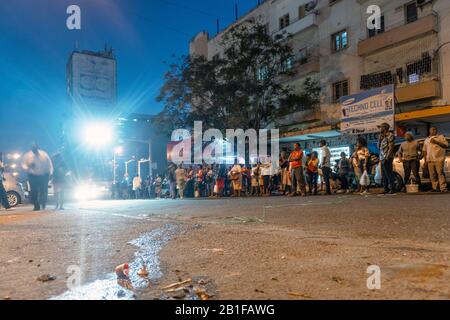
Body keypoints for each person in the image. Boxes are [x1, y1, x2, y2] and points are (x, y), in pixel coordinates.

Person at [22, 143, 53, 211]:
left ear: (37, 148)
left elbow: (49, 164)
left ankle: (43, 203)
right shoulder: (27, 155)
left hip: (44, 175)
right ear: (31, 149)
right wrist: (28, 166)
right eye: (33, 149)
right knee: (34, 191)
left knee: (44, 190)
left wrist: (51, 173)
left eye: (35, 149)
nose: (34, 150)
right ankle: (36, 206)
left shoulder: (44, 154)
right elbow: (23, 165)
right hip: (33, 176)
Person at [423, 126, 448, 193]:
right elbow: (424, 151)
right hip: (430, 160)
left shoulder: (440, 137)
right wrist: (425, 161)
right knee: (432, 175)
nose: (434, 131)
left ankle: (443, 188)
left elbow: (446, 146)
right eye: (432, 130)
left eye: (435, 129)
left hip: (439, 159)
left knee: (440, 173)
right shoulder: (426, 139)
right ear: (429, 131)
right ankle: (435, 188)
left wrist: (436, 142)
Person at [377, 123, 396, 194]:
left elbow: (391, 147)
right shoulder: (381, 136)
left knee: (389, 174)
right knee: (384, 174)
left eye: (381, 127)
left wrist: (387, 158)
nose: (380, 129)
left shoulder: (390, 135)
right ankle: (385, 189)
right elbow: (378, 147)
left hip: (387, 157)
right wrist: (379, 139)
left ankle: (392, 188)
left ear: (384, 128)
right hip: (381, 157)